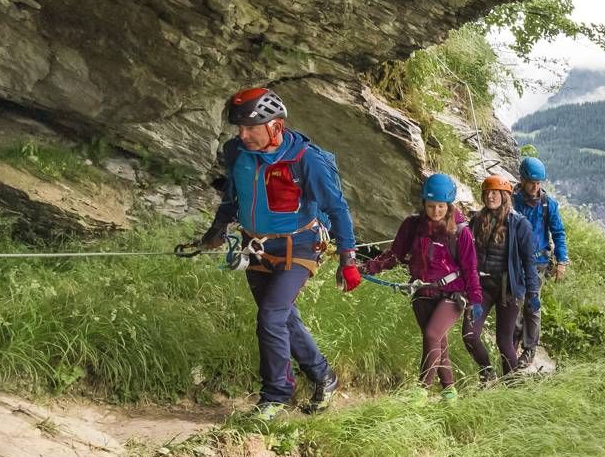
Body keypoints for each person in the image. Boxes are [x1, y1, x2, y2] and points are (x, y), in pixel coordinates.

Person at [186, 87, 361, 420]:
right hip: (255, 246)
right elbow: (232, 197)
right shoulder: (236, 152)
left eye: (251, 128)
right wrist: (217, 230)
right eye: (239, 127)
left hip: (300, 245)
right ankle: (324, 376)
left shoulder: (306, 159)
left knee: (270, 316)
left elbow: (337, 208)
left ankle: (276, 396)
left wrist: (348, 259)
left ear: (277, 127)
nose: (243, 134)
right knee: (281, 317)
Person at [364, 173, 483, 399]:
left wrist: (475, 300)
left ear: (449, 205)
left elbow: (470, 267)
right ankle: (450, 394)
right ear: (423, 204)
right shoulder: (412, 226)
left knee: (431, 335)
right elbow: (394, 255)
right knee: (438, 342)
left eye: (440, 206)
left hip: (452, 293)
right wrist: (368, 267)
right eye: (430, 206)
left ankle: (422, 390)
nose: (436, 211)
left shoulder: (460, 231)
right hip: (422, 292)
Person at [460, 174, 542, 383]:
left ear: (505, 196)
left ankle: (512, 386)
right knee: (469, 335)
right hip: (481, 289)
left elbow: (529, 263)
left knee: (504, 341)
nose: (490, 197)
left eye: (494, 193)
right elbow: (465, 253)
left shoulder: (519, 224)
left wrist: (532, 294)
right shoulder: (477, 220)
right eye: (486, 193)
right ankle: (487, 371)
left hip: (508, 289)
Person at [514, 155, 568, 366]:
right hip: (514, 261)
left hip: (537, 262)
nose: (535, 187)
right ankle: (512, 342)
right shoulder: (511, 201)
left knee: (532, 304)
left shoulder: (548, 205)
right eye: (532, 183)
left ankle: (529, 350)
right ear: (522, 180)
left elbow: (558, 233)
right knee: (514, 303)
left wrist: (561, 261)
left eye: (538, 183)